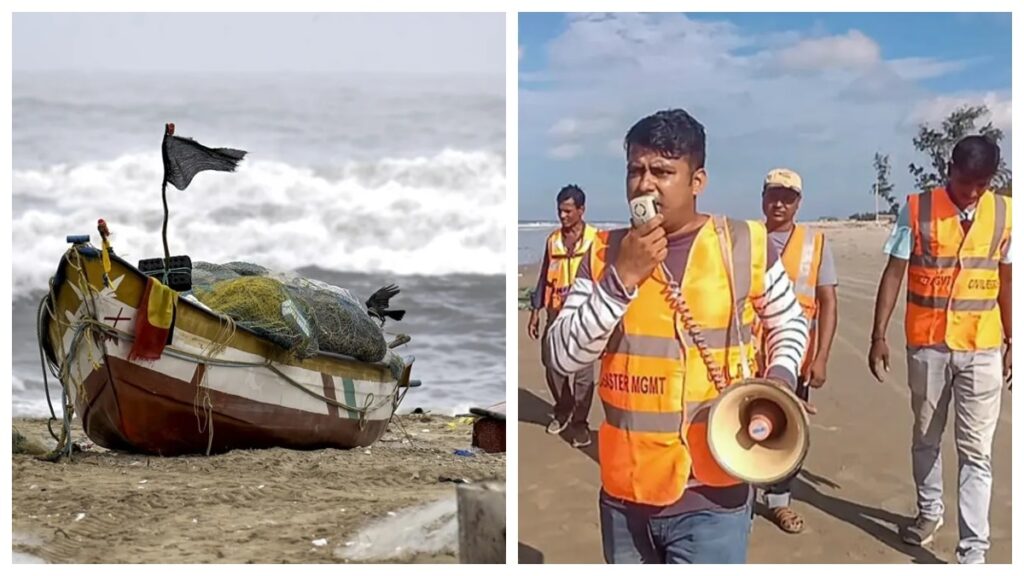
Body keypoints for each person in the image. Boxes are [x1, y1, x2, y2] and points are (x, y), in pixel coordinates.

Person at [545, 109, 809, 564]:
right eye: (635, 170)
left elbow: (788, 321)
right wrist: (620, 280)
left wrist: (781, 377)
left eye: (662, 172)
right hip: (626, 492)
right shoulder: (605, 253)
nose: (645, 184)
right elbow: (562, 355)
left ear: (697, 180)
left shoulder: (744, 243)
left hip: (714, 493)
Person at [868, 135, 1011, 564]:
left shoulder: (1007, 213)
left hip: (983, 346)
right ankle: (929, 514)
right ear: (949, 168)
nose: (971, 192)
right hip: (928, 346)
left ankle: (973, 552)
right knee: (926, 438)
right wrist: (878, 334)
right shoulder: (916, 209)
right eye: (966, 181)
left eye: (981, 184)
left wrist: (1014, 339)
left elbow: (1007, 280)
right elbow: (894, 273)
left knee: (976, 452)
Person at [755, 168, 838, 534]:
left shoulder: (815, 244)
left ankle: (778, 502)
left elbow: (828, 302)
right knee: (739, 428)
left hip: (794, 360)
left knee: (786, 433)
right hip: (746, 357)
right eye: (773, 195)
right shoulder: (747, 240)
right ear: (763, 197)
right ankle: (736, 502)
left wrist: (820, 357)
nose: (779, 203)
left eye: (787, 198)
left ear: (798, 203)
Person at [528, 184, 603, 448]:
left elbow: (607, 280)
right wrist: (535, 311)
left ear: (581, 210)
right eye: (560, 211)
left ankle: (580, 424)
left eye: (568, 211)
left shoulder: (597, 240)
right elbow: (543, 276)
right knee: (553, 365)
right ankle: (564, 408)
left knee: (583, 374)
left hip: (585, 316)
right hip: (555, 314)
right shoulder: (553, 240)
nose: (563, 216)